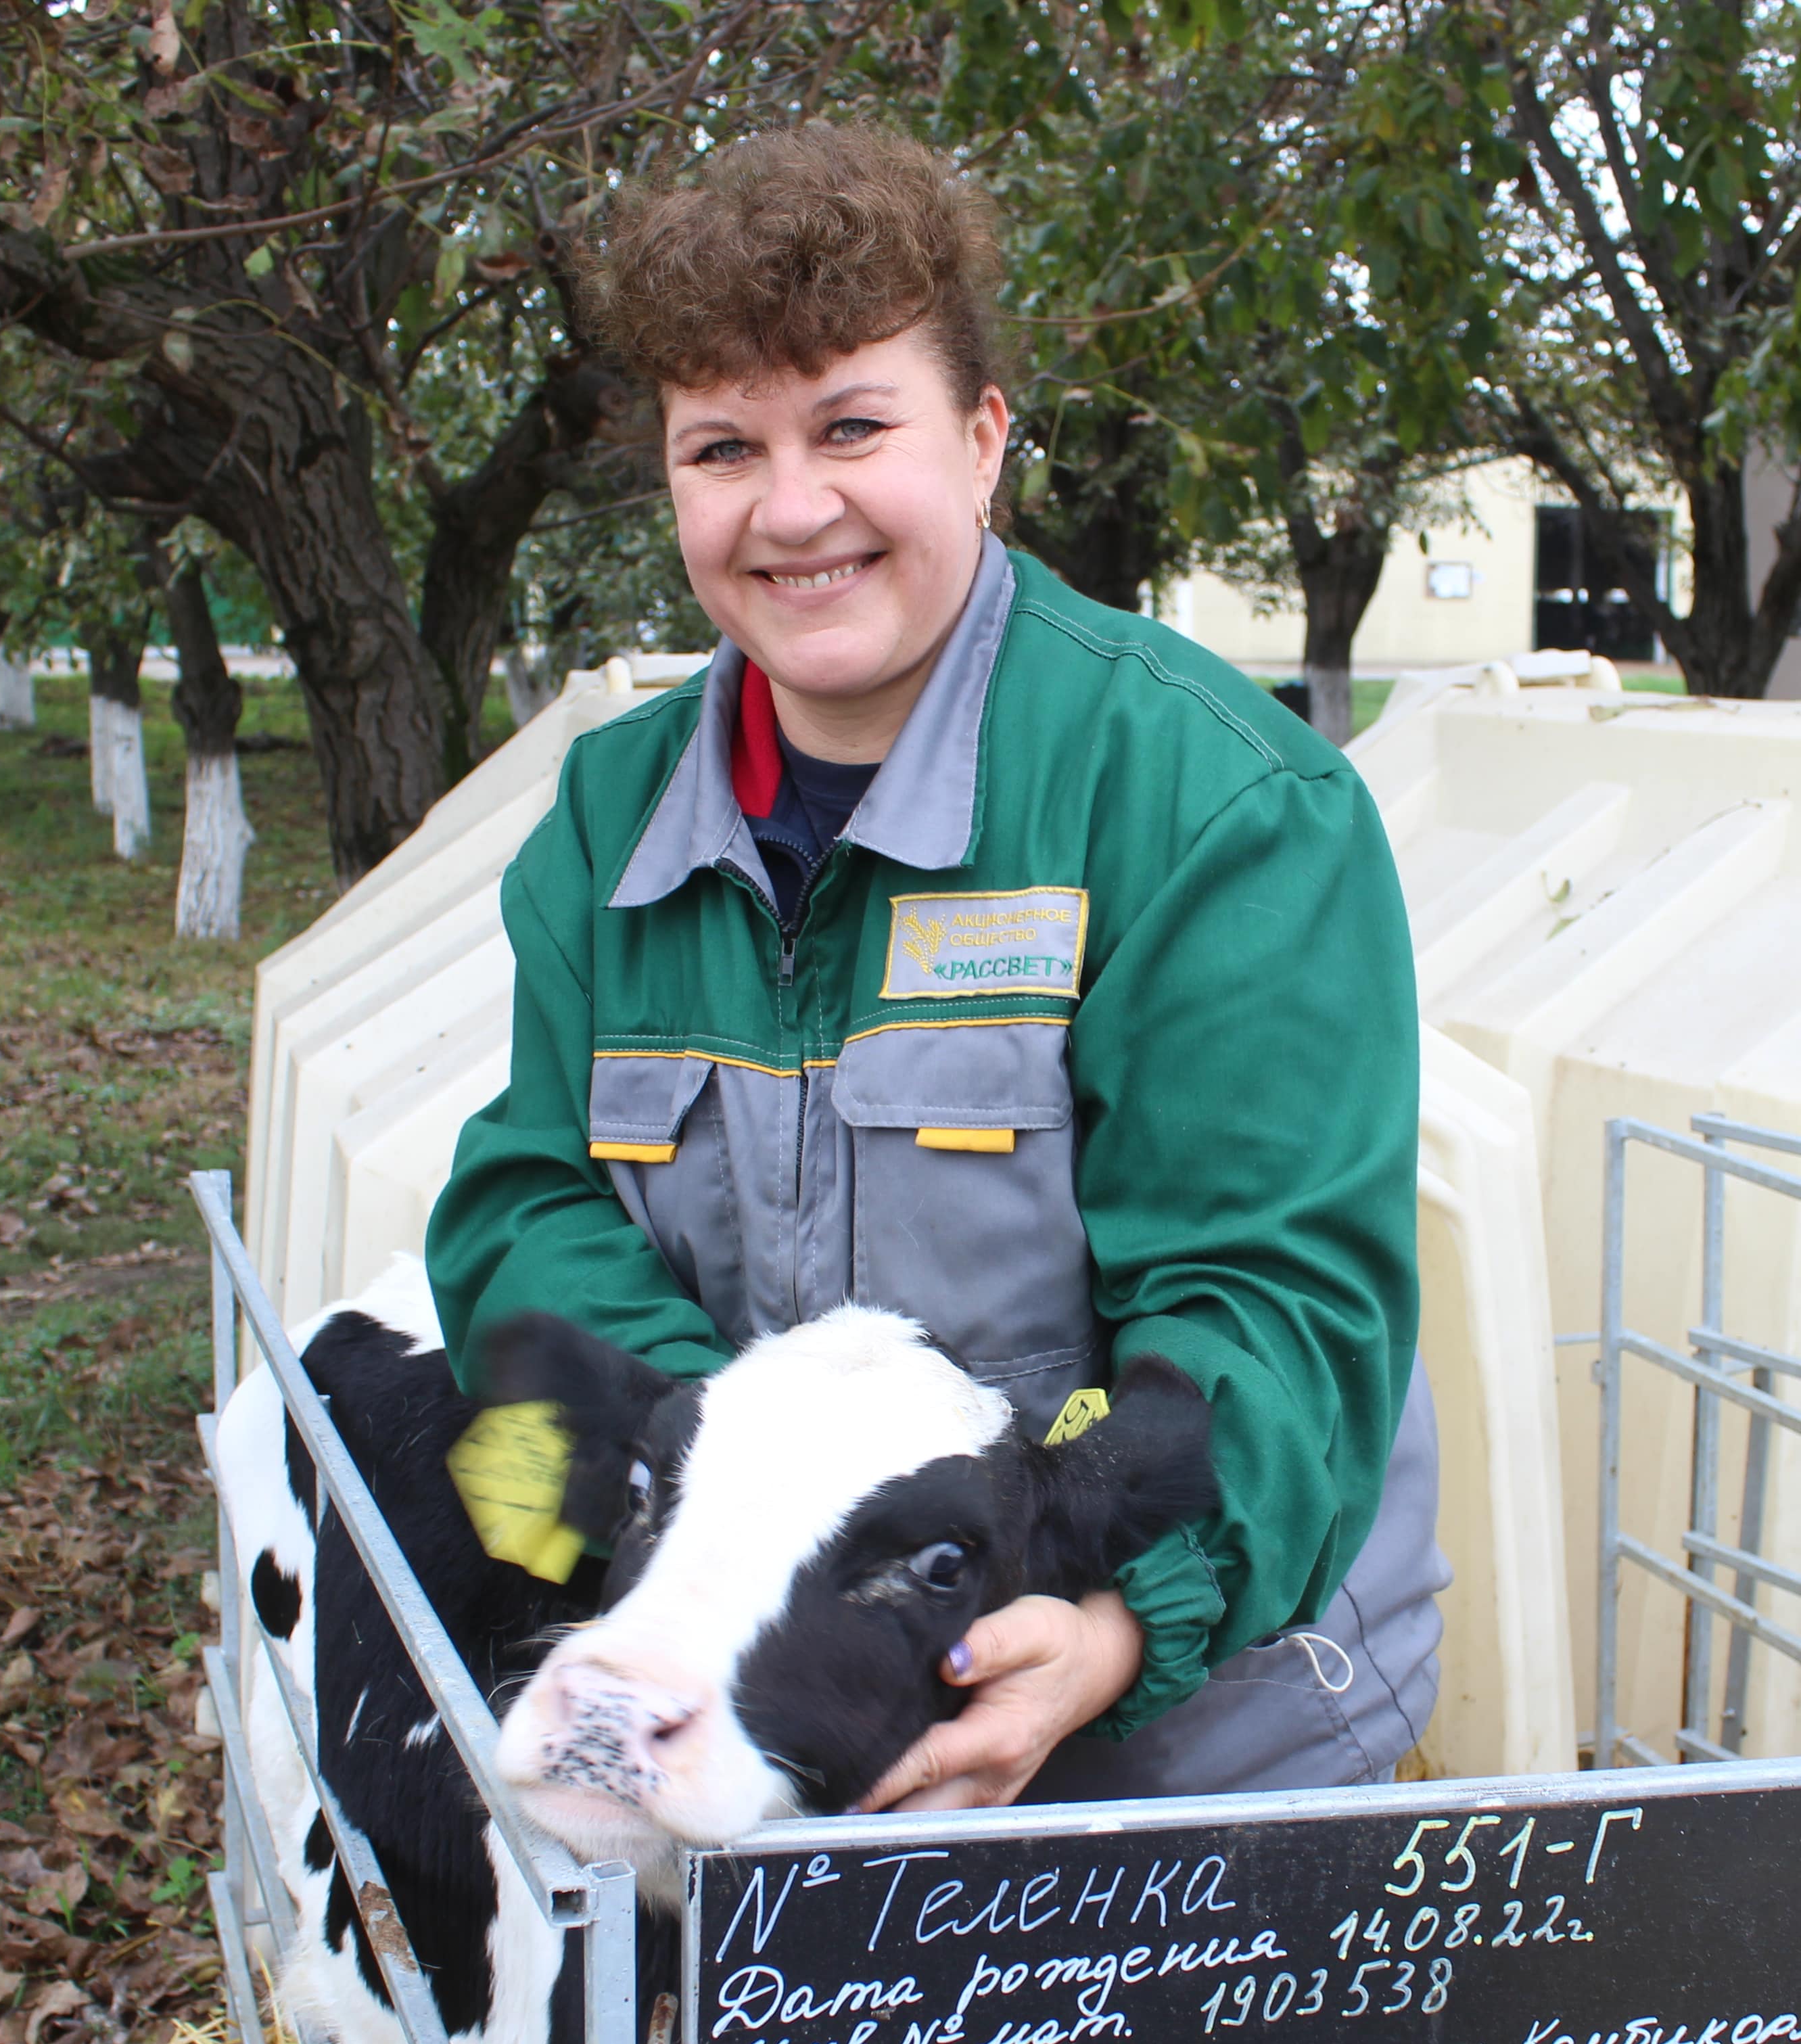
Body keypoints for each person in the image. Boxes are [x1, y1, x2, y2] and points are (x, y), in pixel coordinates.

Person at [423, 120, 1443, 1813]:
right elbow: (525, 1206)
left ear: (981, 441)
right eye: (722, 448)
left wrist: (1114, 1622)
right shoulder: (612, 819)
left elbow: (1275, 1301)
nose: (793, 508)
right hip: (796, 1685)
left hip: (1180, 1711)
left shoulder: (1215, 803)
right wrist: (731, 1489)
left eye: (852, 426)